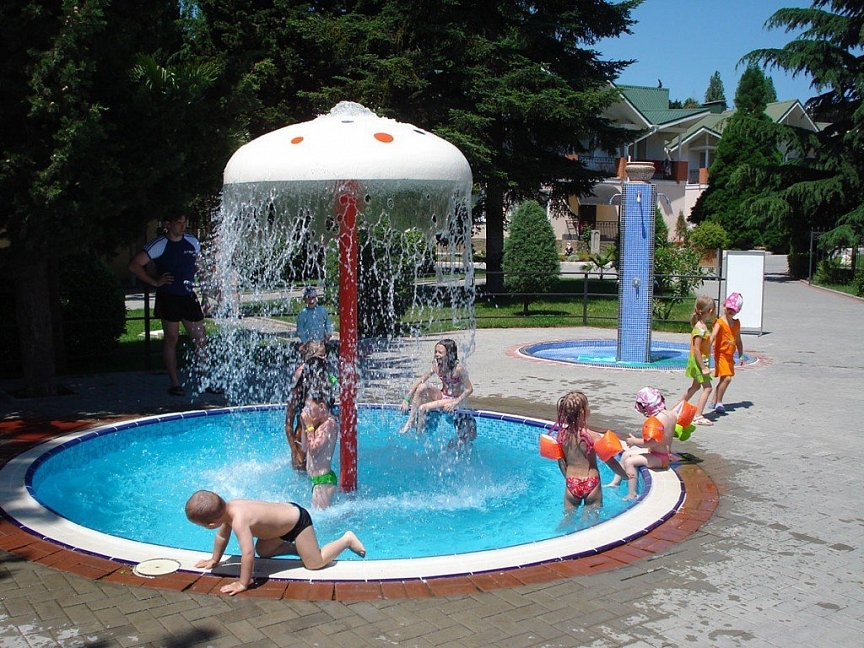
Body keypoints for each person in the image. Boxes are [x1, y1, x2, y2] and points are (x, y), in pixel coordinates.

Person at [185, 490, 365, 596]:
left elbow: (247, 553)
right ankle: (302, 549)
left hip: (297, 522)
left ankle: (346, 540)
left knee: (314, 563)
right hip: (282, 521)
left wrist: (243, 583)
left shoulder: (239, 520)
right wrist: (214, 560)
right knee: (263, 551)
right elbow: (222, 537)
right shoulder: (229, 508)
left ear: (211, 524)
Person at [128, 215, 217, 396]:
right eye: (178, 223)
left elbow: (200, 268)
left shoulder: (192, 241)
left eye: (185, 222)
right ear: (168, 224)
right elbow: (134, 265)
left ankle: (206, 380)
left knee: (201, 339)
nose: (182, 226)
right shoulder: (159, 244)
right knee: (172, 339)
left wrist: (206, 295)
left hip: (188, 296)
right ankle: (175, 383)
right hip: (169, 297)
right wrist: (155, 281)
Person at [554, 391, 628, 510]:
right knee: (591, 517)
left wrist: (569, 480)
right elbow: (609, 461)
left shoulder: (561, 436)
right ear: (583, 412)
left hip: (572, 482)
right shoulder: (593, 436)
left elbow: (561, 462)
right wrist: (625, 475)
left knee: (568, 517)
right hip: (591, 481)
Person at [605, 387, 677, 500]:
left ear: (648, 406)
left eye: (644, 410)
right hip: (664, 454)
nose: (644, 413)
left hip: (661, 459)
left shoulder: (657, 420)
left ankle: (632, 493)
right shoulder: (671, 415)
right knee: (625, 454)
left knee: (630, 462)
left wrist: (634, 441)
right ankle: (615, 483)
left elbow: (651, 443)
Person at [400, 339, 473, 434]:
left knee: (422, 408)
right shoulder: (436, 365)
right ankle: (411, 421)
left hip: (453, 399)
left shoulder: (458, 369)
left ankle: (419, 435)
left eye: (440, 352)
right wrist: (407, 399)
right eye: (436, 352)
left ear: (449, 354)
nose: (436, 354)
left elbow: (469, 389)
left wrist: (455, 403)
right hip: (443, 395)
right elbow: (420, 380)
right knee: (422, 387)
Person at [284, 341, 335, 471]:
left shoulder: (326, 383)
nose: (319, 365)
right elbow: (288, 424)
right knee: (301, 471)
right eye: (316, 361)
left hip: (318, 443)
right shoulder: (300, 386)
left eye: (321, 361)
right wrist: (294, 450)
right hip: (301, 443)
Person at [676, 294, 715, 426]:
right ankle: (698, 415)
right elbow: (696, 349)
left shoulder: (702, 326)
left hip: (701, 361)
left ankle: (676, 408)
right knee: (708, 388)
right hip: (699, 362)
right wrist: (703, 367)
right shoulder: (699, 329)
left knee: (695, 387)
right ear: (710, 311)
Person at [301, 389, 340, 509]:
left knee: (320, 517)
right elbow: (304, 448)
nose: (306, 411)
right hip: (318, 480)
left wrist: (309, 426)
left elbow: (314, 450)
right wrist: (304, 426)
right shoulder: (319, 426)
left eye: (309, 408)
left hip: (323, 480)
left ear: (322, 407)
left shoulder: (329, 424)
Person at [709, 292, 745, 414]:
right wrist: (707, 347)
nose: (730, 311)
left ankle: (714, 400)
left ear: (738, 311)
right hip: (720, 354)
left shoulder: (736, 324)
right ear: (724, 306)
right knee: (728, 378)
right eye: (729, 308)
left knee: (723, 379)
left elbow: (738, 340)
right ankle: (719, 402)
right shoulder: (719, 322)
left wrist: (741, 354)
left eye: (733, 310)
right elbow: (713, 336)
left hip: (730, 355)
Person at [296, 286, 333, 354]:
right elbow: (300, 330)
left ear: (316, 298)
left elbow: (327, 322)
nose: (311, 300)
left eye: (313, 297)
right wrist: (305, 342)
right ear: (304, 300)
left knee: (320, 353)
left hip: (321, 341)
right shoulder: (303, 313)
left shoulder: (322, 310)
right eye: (308, 298)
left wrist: (328, 333)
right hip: (309, 342)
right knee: (310, 354)